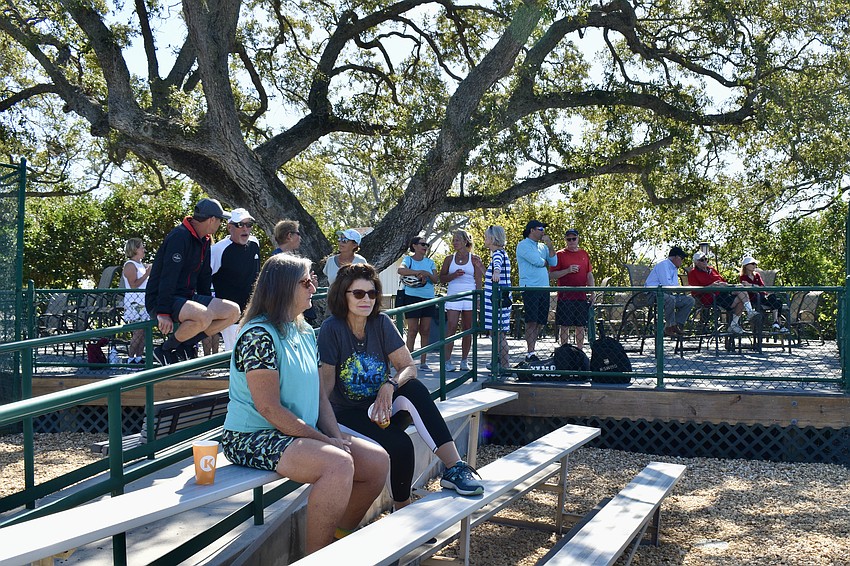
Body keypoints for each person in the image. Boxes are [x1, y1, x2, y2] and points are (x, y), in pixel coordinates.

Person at [222, 254, 388, 554]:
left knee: (377, 462)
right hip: (253, 436)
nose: (314, 287)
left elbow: (319, 395)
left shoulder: (303, 330)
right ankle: (317, 557)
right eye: (306, 281)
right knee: (338, 464)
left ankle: (339, 539)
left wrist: (334, 436)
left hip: (297, 431)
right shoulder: (259, 335)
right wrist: (324, 441)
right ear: (284, 287)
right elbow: (268, 408)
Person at [317, 263, 484, 513]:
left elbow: (408, 367)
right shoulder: (332, 329)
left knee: (414, 388)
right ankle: (403, 510)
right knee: (401, 444)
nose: (367, 300)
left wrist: (390, 384)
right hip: (347, 413)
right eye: (359, 293)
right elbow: (325, 388)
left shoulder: (381, 323)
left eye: (372, 293)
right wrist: (326, 430)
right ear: (343, 295)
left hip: (382, 405)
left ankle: (454, 468)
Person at [145, 198, 241, 364]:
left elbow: (204, 277)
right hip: (161, 299)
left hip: (186, 298)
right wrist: (163, 312)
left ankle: (185, 344)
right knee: (204, 315)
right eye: (220, 220)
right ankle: (165, 350)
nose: (220, 224)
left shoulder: (205, 240)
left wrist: (209, 302)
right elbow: (168, 276)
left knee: (233, 311)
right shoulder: (179, 236)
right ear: (212, 220)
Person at [210, 208, 261, 350]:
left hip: (255, 313)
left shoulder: (255, 243)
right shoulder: (217, 250)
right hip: (231, 318)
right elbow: (203, 278)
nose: (245, 228)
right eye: (240, 224)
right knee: (235, 358)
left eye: (249, 224)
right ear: (229, 227)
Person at [439, 230, 484, 372]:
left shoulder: (474, 258)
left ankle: (464, 360)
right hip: (453, 294)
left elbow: (478, 279)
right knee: (451, 326)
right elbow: (442, 278)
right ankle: (447, 361)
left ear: (465, 241)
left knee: (468, 328)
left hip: (469, 295)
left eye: (457, 240)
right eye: (453, 240)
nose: (454, 242)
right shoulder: (448, 259)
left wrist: (478, 298)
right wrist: (453, 275)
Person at [515, 220, 556, 363]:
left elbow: (554, 262)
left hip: (544, 288)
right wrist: (544, 262)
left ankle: (533, 349)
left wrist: (550, 245)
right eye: (540, 228)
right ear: (532, 230)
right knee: (531, 321)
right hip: (530, 287)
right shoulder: (523, 245)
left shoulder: (543, 247)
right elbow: (538, 262)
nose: (543, 231)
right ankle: (530, 352)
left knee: (540, 321)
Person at [688, 251, 758, 334]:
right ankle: (738, 321)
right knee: (741, 299)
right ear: (696, 262)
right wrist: (712, 286)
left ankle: (744, 317)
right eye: (702, 260)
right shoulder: (693, 273)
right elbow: (695, 290)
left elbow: (723, 281)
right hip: (711, 298)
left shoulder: (712, 269)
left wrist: (723, 284)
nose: (705, 261)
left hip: (724, 293)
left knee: (741, 290)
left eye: (706, 259)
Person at [397, 236, 439, 369]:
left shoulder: (430, 262)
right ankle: (408, 363)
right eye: (422, 244)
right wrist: (418, 272)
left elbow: (436, 279)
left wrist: (427, 273)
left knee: (425, 330)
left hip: (428, 298)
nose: (425, 247)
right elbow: (401, 270)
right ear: (414, 246)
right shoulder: (408, 259)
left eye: (427, 245)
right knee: (412, 330)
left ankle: (423, 362)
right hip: (411, 297)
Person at [549, 229, 594, 349]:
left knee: (580, 326)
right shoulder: (560, 254)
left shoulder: (584, 253)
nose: (571, 241)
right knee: (564, 325)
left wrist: (592, 292)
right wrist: (567, 270)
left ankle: (580, 351)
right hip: (565, 296)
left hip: (581, 296)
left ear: (578, 239)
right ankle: (564, 351)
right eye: (569, 239)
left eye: (574, 238)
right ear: (565, 240)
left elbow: (589, 275)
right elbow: (551, 275)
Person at [645, 246, 695, 336]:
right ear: (676, 257)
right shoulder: (663, 265)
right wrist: (682, 289)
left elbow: (674, 286)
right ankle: (670, 325)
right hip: (653, 294)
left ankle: (676, 325)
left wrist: (684, 289)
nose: (682, 261)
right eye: (682, 258)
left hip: (668, 294)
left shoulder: (674, 268)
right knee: (670, 299)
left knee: (689, 300)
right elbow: (666, 284)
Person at [483, 225, 512, 371]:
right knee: (495, 332)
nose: (485, 239)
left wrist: (496, 271)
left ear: (493, 239)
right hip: (495, 301)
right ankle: (497, 361)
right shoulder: (498, 254)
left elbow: (498, 263)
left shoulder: (498, 254)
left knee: (499, 333)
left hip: (498, 301)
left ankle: (505, 365)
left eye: (487, 236)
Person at [121, 238, 150, 364]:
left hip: (144, 301)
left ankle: (139, 357)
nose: (144, 250)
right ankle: (130, 358)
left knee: (144, 332)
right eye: (141, 247)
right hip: (135, 303)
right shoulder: (130, 265)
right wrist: (147, 273)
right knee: (137, 332)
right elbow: (134, 285)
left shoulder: (141, 265)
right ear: (134, 249)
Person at [740, 256, 788, 332]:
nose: (755, 266)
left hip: (762, 297)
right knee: (775, 302)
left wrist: (752, 285)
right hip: (753, 299)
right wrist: (756, 287)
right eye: (752, 264)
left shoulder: (757, 275)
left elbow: (762, 287)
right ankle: (779, 324)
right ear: (746, 265)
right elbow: (749, 290)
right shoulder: (743, 277)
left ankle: (776, 322)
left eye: (755, 264)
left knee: (777, 301)